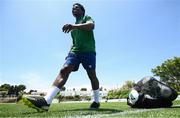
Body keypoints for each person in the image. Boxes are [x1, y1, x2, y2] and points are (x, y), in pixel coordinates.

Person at [21, 3, 100, 112]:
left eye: (76, 8)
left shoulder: (87, 18)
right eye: (72, 8)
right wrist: (69, 53)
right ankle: (46, 102)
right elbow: (73, 43)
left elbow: (91, 26)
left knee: (92, 75)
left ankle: (96, 101)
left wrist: (73, 26)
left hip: (88, 52)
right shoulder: (73, 29)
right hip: (75, 52)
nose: (74, 9)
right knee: (64, 70)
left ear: (82, 11)